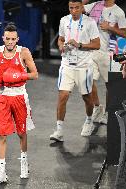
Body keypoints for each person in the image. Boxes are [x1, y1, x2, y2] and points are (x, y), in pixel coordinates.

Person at [0, 23, 38, 183]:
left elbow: (35, 74)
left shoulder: (23, 52)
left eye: (13, 39)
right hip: (3, 96)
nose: (10, 42)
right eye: (7, 39)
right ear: (3, 38)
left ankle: (24, 162)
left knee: (22, 133)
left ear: (17, 39)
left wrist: (18, 76)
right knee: (1, 134)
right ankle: (1, 171)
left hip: (20, 96)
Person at [50, 0, 100, 141]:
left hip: (84, 66)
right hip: (67, 65)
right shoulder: (64, 20)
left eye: (77, 8)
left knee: (86, 98)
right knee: (63, 96)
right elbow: (60, 39)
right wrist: (61, 46)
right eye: (71, 8)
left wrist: (80, 45)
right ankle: (59, 130)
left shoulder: (90, 22)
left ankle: (89, 120)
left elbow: (97, 44)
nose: (74, 11)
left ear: (81, 7)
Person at [83, 0, 126, 124]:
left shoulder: (118, 12)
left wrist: (110, 28)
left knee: (110, 86)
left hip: (107, 53)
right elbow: (78, 7)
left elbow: (125, 33)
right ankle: (98, 107)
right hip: (92, 51)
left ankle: (107, 113)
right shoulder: (95, 5)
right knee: (87, 80)